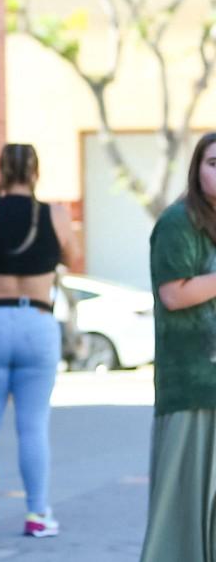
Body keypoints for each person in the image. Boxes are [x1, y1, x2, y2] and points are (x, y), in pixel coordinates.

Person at [0, 143, 78, 538]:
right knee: (34, 425)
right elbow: (71, 256)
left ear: (0, 170)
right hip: (38, 321)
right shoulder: (57, 214)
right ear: (36, 172)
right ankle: (38, 514)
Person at [139, 133, 216, 562]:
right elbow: (174, 294)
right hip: (192, 385)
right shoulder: (178, 221)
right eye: (213, 162)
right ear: (196, 168)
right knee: (182, 514)